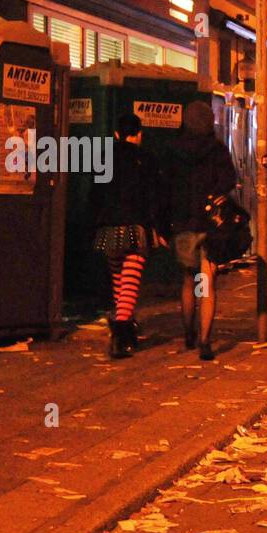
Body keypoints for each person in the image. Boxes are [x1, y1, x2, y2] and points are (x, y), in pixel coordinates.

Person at [90, 112, 166, 359]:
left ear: (116, 134)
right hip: (134, 227)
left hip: (107, 229)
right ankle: (121, 334)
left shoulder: (103, 158)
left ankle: (125, 328)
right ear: (139, 134)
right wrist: (159, 227)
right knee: (131, 281)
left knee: (119, 280)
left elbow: (96, 194)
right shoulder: (145, 159)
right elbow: (154, 197)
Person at [168, 100, 237, 361]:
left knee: (188, 280)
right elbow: (229, 180)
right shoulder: (217, 149)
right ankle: (205, 340)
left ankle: (188, 332)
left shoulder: (174, 149)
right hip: (211, 223)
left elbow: (169, 185)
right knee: (206, 282)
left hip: (184, 221)